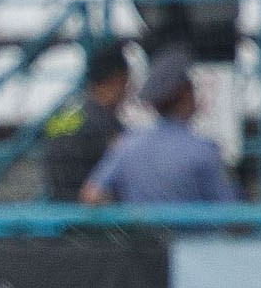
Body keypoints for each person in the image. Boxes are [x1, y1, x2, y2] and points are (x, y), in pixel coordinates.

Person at [82, 45, 238, 206]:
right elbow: (231, 211)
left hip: (138, 230)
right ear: (185, 94)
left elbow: (92, 194)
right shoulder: (204, 150)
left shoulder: (127, 144)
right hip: (193, 231)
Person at [41, 42, 131, 202]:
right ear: (118, 80)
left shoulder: (62, 115)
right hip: (92, 216)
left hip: (57, 212)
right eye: (126, 83)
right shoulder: (105, 124)